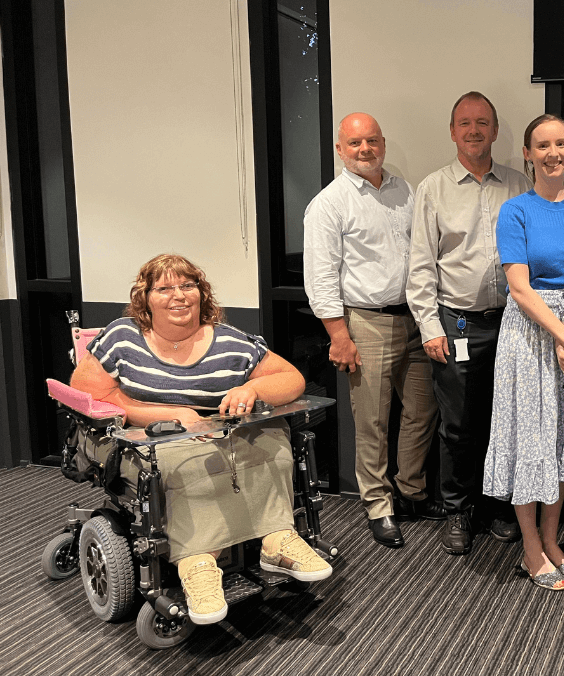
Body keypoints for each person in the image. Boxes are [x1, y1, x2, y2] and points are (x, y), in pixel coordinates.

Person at [70, 254, 332, 625]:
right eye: (163, 288)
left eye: (187, 286)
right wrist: (162, 415)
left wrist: (251, 388)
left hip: (213, 431)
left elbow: (291, 379)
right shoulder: (122, 337)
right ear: (145, 298)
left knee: (273, 438)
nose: (178, 296)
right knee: (181, 461)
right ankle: (196, 562)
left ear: (201, 293)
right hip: (142, 437)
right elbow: (87, 392)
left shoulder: (228, 341)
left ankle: (276, 539)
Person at [482, 114, 564, 590]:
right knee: (530, 437)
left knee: (563, 439)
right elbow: (518, 287)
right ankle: (530, 548)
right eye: (543, 146)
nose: (553, 153)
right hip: (531, 332)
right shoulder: (515, 211)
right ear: (528, 153)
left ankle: (552, 537)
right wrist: (561, 334)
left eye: (561, 144)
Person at [304, 112, 441, 549]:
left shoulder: (403, 189)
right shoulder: (329, 203)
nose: (365, 149)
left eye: (373, 141)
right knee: (374, 421)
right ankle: (379, 506)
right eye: (355, 143)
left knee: (422, 411)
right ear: (340, 150)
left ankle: (410, 491)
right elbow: (320, 276)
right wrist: (339, 336)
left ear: (383, 143)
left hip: (416, 318)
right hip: (365, 322)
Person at [406, 91, 533, 555]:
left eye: (483, 122)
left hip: (515, 323)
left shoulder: (520, 186)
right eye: (465, 123)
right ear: (453, 130)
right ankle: (458, 507)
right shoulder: (432, 188)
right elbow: (420, 265)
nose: (474, 130)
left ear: (496, 130)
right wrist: (430, 327)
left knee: (510, 419)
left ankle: (501, 506)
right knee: (458, 424)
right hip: (456, 324)